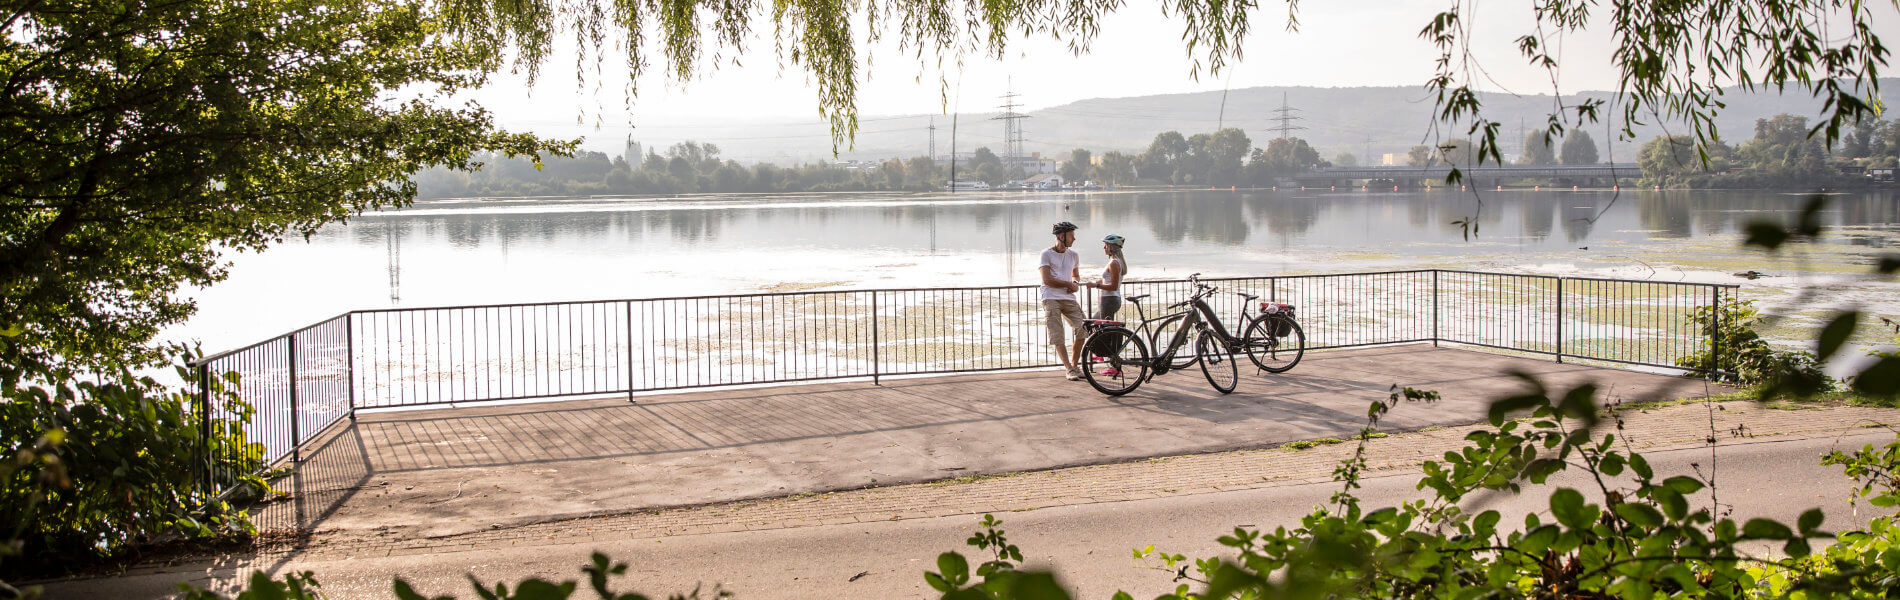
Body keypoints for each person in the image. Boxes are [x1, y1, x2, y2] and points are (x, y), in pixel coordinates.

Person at [1039, 221, 1087, 381]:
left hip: (1068, 298)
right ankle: (1068, 368)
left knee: (1082, 330)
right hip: (1051, 297)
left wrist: (1075, 284)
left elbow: (1076, 276)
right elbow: (1046, 279)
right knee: (1057, 335)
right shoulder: (1046, 254)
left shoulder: (1073, 255)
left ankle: (1074, 365)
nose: (1074, 238)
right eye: (1071, 235)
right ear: (1061, 236)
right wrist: (1067, 284)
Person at [1083, 234, 1128, 376]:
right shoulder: (1115, 261)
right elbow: (1109, 280)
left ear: (1112, 247)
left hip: (1110, 301)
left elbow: (1113, 286)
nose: (1104, 247)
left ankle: (1115, 367)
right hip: (1109, 301)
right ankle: (1099, 354)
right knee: (1095, 325)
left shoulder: (1114, 263)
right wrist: (1097, 281)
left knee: (1108, 333)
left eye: (1106, 245)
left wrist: (1096, 285)